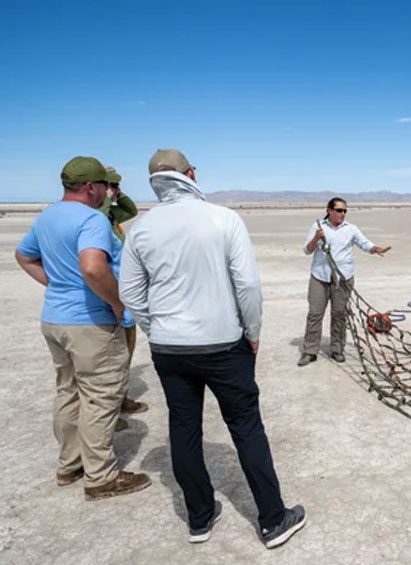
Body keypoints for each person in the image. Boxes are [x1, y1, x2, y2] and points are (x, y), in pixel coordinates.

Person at [119, 149, 305, 548]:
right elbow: (248, 286)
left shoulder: (142, 228)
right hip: (224, 345)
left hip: (170, 349)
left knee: (183, 429)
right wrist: (252, 331)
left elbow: (131, 291)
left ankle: (199, 519)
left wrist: (159, 330)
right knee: (246, 427)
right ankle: (273, 520)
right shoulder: (223, 219)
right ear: (191, 173)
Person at [14, 156, 151, 500]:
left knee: (68, 390)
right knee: (100, 396)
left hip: (55, 320)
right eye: (104, 185)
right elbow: (93, 268)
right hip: (89, 322)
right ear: (91, 187)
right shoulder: (91, 219)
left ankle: (69, 464)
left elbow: (24, 256)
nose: (108, 191)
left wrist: (57, 286)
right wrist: (116, 302)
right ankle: (101, 476)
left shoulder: (47, 216)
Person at [297, 197, 391, 367]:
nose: (342, 214)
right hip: (320, 277)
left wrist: (376, 249)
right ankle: (310, 351)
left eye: (345, 211)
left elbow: (364, 243)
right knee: (315, 314)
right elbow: (307, 250)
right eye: (339, 210)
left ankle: (337, 349)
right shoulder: (318, 227)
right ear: (329, 210)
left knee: (339, 314)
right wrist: (316, 238)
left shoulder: (351, 229)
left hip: (343, 279)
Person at [98, 166, 148, 427]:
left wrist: (117, 193)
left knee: (125, 355)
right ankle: (108, 413)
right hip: (108, 300)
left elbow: (131, 210)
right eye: (112, 186)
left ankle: (121, 398)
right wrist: (105, 197)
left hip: (123, 298)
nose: (115, 191)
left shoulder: (110, 217)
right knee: (110, 360)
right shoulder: (96, 217)